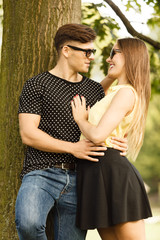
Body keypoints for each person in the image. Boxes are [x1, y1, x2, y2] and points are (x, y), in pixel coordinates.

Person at [15, 23, 128, 240]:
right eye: (86, 51)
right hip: (41, 172)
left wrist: (121, 142)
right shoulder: (36, 85)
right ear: (66, 50)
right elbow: (28, 133)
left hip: (82, 178)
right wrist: (73, 148)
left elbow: (106, 127)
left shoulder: (95, 90)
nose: (91, 57)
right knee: (28, 224)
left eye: (92, 51)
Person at [71, 37, 152, 240]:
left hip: (114, 174)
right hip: (94, 174)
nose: (109, 59)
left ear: (131, 56)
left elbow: (98, 135)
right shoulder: (113, 92)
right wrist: (114, 71)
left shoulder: (126, 93)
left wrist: (81, 120)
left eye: (113, 53)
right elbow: (94, 91)